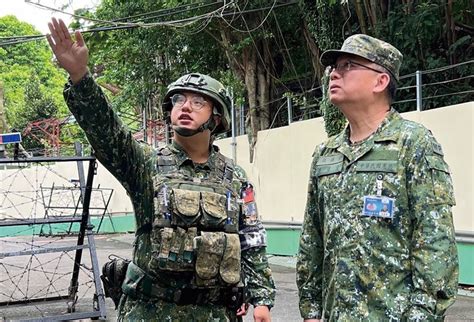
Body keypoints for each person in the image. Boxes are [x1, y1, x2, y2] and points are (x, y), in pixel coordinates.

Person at [46, 17, 275, 322]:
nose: (185, 106)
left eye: (198, 102)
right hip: (150, 312)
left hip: (215, 314)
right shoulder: (146, 166)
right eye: (178, 99)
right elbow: (108, 133)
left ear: (217, 118)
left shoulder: (235, 178)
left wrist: (261, 301)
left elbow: (251, 241)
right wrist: (79, 75)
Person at [296, 34, 458, 321]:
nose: (334, 73)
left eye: (348, 65)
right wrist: (310, 310)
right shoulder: (326, 153)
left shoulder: (413, 143)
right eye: (334, 67)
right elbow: (312, 237)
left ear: (380, 81)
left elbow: (435, 244)